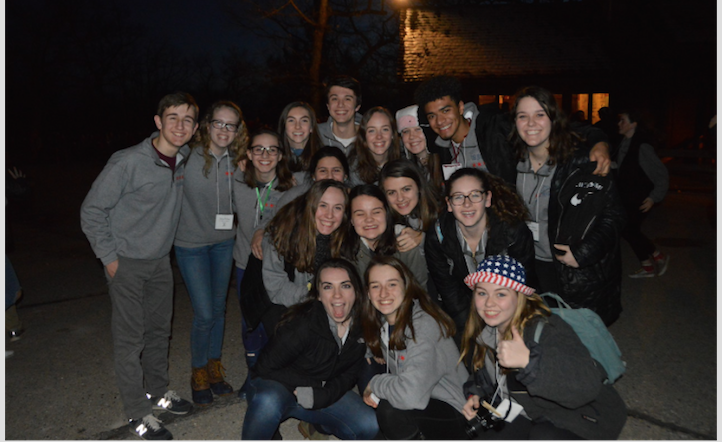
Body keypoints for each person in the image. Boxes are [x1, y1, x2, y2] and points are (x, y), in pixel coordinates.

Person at [80, 92, 198, 440]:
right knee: (130, 342)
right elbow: (91, 211)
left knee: (160, 332)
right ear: (158, 121)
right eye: (172, 117)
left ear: (194, 128)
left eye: (188, 119)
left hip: (160, 261)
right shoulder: (129, 162)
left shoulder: (184, 157)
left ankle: (158, 392)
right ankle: (137, 413)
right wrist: (110, 258)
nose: (180, 125)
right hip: (127, 263)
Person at [460, 255, 626, 440]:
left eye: (501, 294)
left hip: (578, 415)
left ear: (519, 296)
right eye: (482, 293)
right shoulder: (487, 333)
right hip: (522, 411)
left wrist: (529, 362)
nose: (489, 303)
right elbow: (481, 376)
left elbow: (586, 386)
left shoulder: (547, 328)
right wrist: (474, 396)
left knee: (543, 436)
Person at [510, 86, 625, 326]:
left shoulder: (582, 161)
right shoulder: (511, 162)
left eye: (540, 114)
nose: (531, 123)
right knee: (545, 334)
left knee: (582, 337)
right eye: (523, 116)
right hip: (533, 265)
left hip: (571, 266)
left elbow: (613, 215)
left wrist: (584, 253)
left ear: (553, 118)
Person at [241, 258, 379, 440]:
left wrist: (322, 396)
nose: (337, 295)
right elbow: (263, 368)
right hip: (279, 387)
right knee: (267, 403)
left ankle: (319, 423)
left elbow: (349, 375)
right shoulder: (301, 324)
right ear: (318, 295)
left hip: (319, 393)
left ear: (356, 291)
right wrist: (310, 387)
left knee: (369, 424)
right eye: (328, 287)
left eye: (345, 286)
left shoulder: (362, 325)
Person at [174, 101, 248, 406]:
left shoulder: (240, 161)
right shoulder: (186, 155)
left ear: (237, 131)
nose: (223, 130)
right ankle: (198, 371)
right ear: (206, 125)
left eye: (230, 125)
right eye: (218, 123)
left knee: (218, 309)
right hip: (190, 244)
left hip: (224, 242)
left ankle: (214, 367)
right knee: (204, 313)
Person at [414, 76, 611, 185]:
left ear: (459, 108)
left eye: (445, 110)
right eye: (432, 116)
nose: (440, 121)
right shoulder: (441, 149)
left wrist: (599, 142)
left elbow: (563, 128)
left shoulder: (494, 127)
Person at [360, 256, 469, 440]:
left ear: (406, 287)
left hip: (456, 412)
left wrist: (375, 383)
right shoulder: (384, 324)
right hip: (422, 403)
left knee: (389, 411)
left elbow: (410, 396)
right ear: (368, 293)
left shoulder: (423, 325)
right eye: (375, 286)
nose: (383, 293)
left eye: (392, 284)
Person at [424, 168, 534, 348]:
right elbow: (449, 291)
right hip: (468, 307)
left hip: (508, 307)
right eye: (458, 197)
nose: (467, 204)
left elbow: (524, 287)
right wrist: (473, 332)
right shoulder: (437, 237)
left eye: (475, 195)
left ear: (487, 199)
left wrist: (507, 329)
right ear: (449, 204)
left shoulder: (513, 233)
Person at [232, 128, 296, 398]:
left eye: (272, 150)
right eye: (258, 149)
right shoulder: (236, 179)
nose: (265, 155)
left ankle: (271, 375)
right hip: (244, 263)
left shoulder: (291, 186)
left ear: (281, 155)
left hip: (274, 267)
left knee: (274, 324)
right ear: (248, 153)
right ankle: (253, 375)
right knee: (250, 324)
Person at [261, 180, 351, 327]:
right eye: (323, 205)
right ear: (310, 206)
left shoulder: (346, 238)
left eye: (337, 208)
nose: (329, 215)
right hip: (285, 307)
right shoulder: (282, 234)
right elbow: (275, 287)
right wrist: (314, 296)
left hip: (330, 307)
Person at [616, 109, 670, 278]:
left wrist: (654, 198)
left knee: (628, 230)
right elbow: (624, 167)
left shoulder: (642, 146)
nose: (619, 124)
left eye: (623, 120)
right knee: (628, 230)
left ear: (633, 124)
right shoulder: (624, 142)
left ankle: (652, 262)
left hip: (640, 198)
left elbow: (661, 175)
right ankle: (653, 260)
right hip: (627, 197)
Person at [347, 184, 428, 288]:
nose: (369, 219)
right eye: (360, 214)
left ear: (386, 213)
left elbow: (419, 291)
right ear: (351, 220)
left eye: (376, 212)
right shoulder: (344, 250)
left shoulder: (405, 243)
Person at [379, 159, 441, 254]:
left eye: (406, 189)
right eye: (392, 192)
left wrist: (423, 239)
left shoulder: (442, 215)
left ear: (419, 187)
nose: (400, 198)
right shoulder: (382, 222)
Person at [276, 145, 350, 209]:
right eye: (323, 171)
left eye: (336, 170)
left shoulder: (354, 201)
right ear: (313, 176)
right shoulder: (294, 198)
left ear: (345, 175)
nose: (330, 176)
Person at [347, 107, 403, 186]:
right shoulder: (353, 169)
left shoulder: (405, 160)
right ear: (364, 137)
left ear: (393, 134)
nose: (379, 136)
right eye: (372, 131)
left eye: (385, 129)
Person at [395, 105, 444, 192]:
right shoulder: (403, 167)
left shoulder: (446, 160)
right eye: (406, 131)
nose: (412, 137)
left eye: (418, 129)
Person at [317, 75, 363, 155]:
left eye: (347, 99)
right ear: (328, 105)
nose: (340, 104)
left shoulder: (370, 137)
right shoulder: (315, 135)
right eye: (335, 99)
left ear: (357, 106)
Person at [277, 101, 323, 173]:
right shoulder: (274, 158)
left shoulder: (323, 158)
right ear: (284, 126)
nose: (297, 126)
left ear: (311, 127)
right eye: (291, 120)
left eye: (304, 120)